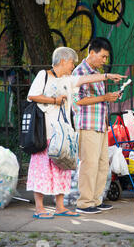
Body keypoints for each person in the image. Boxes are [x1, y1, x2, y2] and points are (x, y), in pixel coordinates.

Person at [26, 46, 126, 219]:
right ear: (63, 60)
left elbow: (85, 79)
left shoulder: (68, 79)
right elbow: (32, 96)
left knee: (62, 169)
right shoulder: (44, 75)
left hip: (63, 133)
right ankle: (39, 208)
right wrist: (54, 100)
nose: (73, 66)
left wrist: (108, 76)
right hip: (46, 132)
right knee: (42, 169)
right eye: (72, 62)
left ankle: (60, 206)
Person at [73, 37, 127, 214]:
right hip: (88, 125)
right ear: (91, 53)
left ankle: (96, 199)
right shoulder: (80, 72)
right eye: (103, 56)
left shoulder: (96, 73)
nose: (105, 60)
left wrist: (109, 96)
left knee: (102, 164)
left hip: (100, 124)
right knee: (89, 164)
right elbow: (78, 101)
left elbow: (97, 99)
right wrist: (105, 97)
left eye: (106, 57)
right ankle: (85, 202)